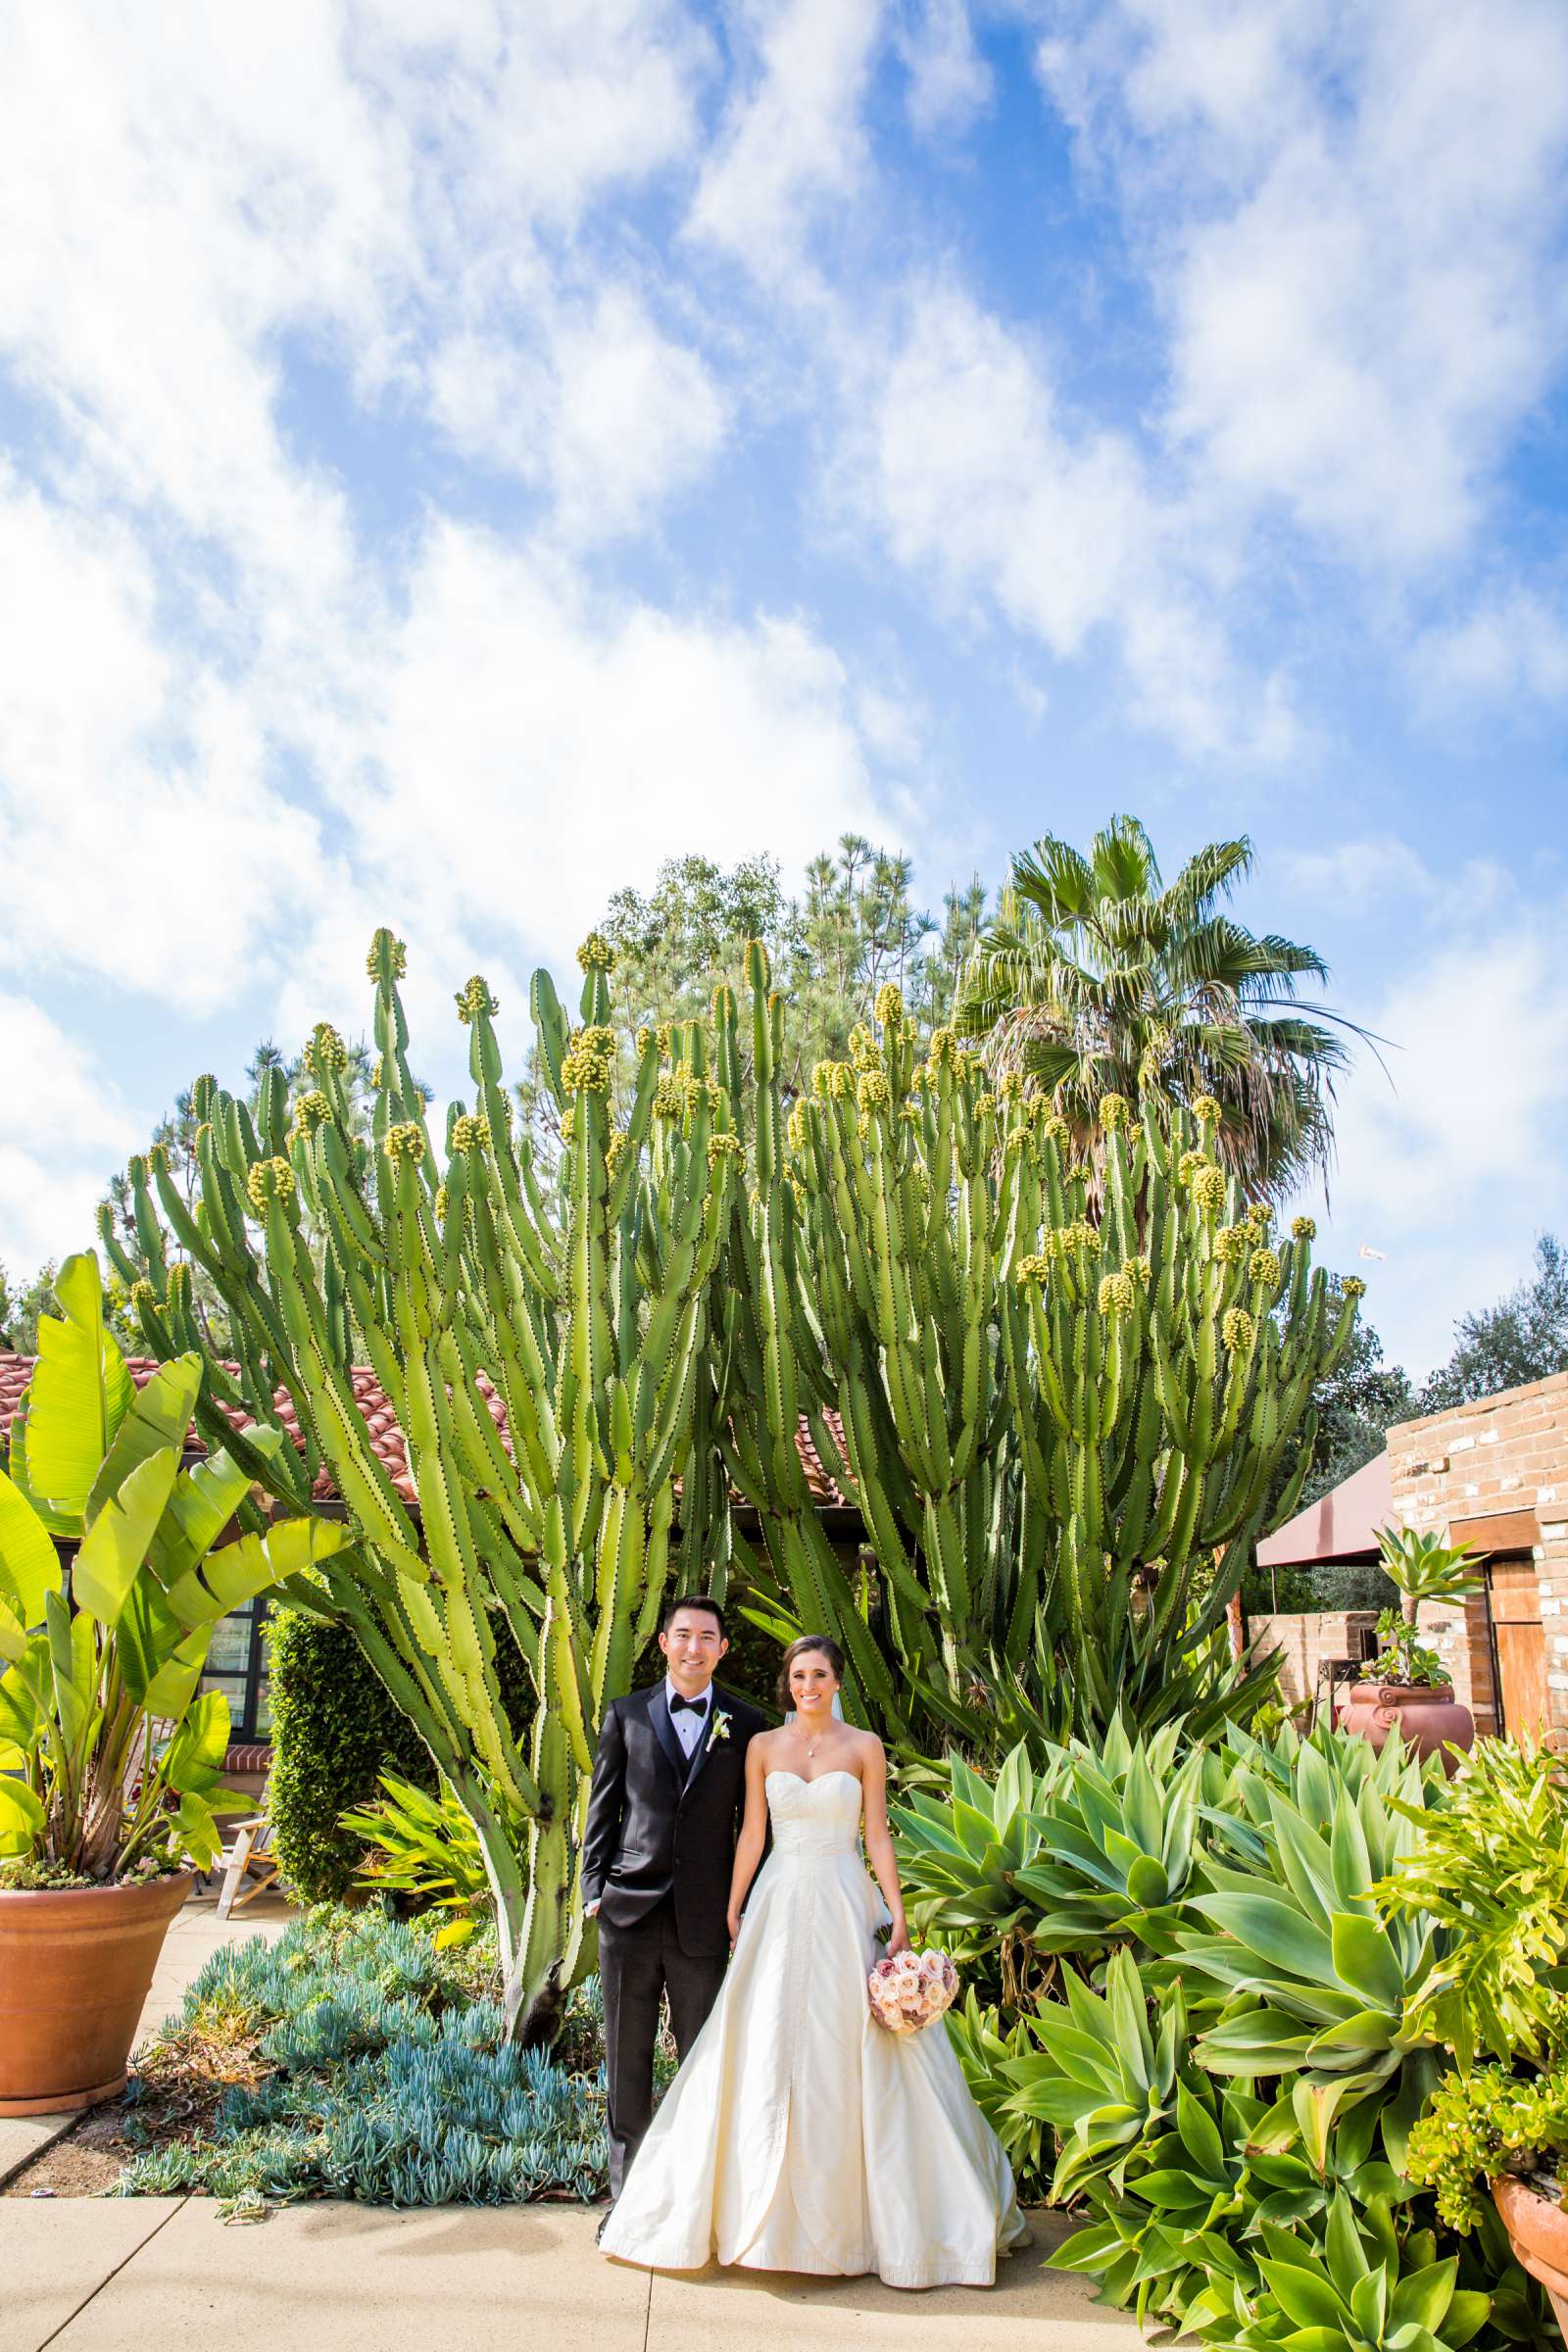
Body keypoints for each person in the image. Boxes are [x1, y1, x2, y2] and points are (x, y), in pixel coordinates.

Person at [598, 1633, 1030, 2289]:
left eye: (820, 1675)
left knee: (846, 2045)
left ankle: (877, 2225)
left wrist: (898, 1910)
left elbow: (877, 1833)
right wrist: (736, 1903)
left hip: (840, 1898)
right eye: (798, 1676)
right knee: (761, 2042)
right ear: (787, 1682)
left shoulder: (863, 1748)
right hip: (776, 1899)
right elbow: (751, 1833)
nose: (808, 1687)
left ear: (837, 1682)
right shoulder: (762, 1747)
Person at [581, 1593, 766, 2202]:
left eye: (706, 1637)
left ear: (722, 1649)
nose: (694, 1647)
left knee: (702, 2060)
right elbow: (603, 1810)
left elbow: (754, 1829)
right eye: (682, 1635)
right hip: (628, 1912)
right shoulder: (626, 1714)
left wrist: (747, 1904)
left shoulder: (747, 1727)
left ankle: (693, 2201)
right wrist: (593, 1890)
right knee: (626, 2063)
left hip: (704, 1920)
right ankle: (629, 2201)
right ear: (664, 1643)